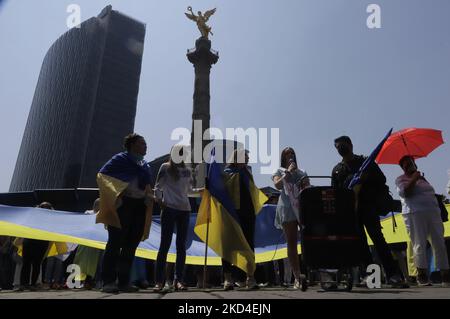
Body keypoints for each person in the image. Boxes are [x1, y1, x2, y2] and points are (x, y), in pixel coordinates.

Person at [331, 136, 406, 287]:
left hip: (368, 207)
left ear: (351, 145)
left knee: (379, 241)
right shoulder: (337, 170)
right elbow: (335, 192)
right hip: (351, 212)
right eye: (337, 146)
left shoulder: (365, 162)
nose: (341, 148)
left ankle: (393, 275)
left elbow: (382, 179)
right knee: (361, 245)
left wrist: (366, 178)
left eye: (343, 145)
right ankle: (372, 278)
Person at [97, 133, 154, 294]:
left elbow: (146, 186)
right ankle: (108, 281)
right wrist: (117, 195)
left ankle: (123, 281)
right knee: (115, 242)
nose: (145, 146)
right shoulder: (119, 160)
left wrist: (150, 197)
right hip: (123, 204)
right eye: (142, 143)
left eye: (145, 143)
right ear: (132, 145)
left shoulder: (145, 165)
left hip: (139, 205)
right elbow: (103, 176)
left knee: (131, 244)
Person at [395, 156, 450, 287]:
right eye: (406, 164)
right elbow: (405, 193)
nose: (410, 165)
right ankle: (422, 275)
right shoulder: (400, 179)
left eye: (412, 163)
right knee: (419, 243)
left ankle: (445, 275)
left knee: (439, 243)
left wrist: (420, 179)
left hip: (432, 213)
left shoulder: (423, 179)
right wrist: (414, 179)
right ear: (403, 168)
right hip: (414, 213)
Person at [154, 145, 198, 292]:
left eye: (183, 152)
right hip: (169, 209)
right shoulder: (165, 167)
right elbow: (158, 187)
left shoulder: (187, 170)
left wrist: (202, 191)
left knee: (181, 246)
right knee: (164, 245)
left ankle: (178, 280)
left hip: (184, 209)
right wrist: (160, 201)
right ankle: (159, 281)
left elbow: (190, 190)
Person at [221, 149, 260, 290]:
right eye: (246, 157)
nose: (248, 159)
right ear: (237, 158)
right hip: (231, 214)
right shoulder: (226, 172)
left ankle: (250, 277)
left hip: (248, 213)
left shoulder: (247, 172)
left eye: (248, 157)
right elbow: (221, 192)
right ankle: (228, 278)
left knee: (249, 246)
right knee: (228, 246)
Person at [272, 147, 307, 289]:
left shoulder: (302, 172)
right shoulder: (279, 171)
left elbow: (307, 186)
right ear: (283, 158)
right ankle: (297, 276)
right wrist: (287, 173)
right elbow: (277, 184)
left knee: (308, 239)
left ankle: (315, 272)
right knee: (291, 242)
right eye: (287, 154)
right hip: (287, 208)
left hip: (301, 208)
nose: (290, 156)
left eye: (292, 153)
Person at [18, 202, 52, 291]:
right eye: (43, 207)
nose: (45, 209)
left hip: (41, 242)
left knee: (36, 264)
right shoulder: (33, 214)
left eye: (46, 208)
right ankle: (24, 284)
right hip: (30, 241)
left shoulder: (51, 218)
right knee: (27, 263)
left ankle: (32, 284)